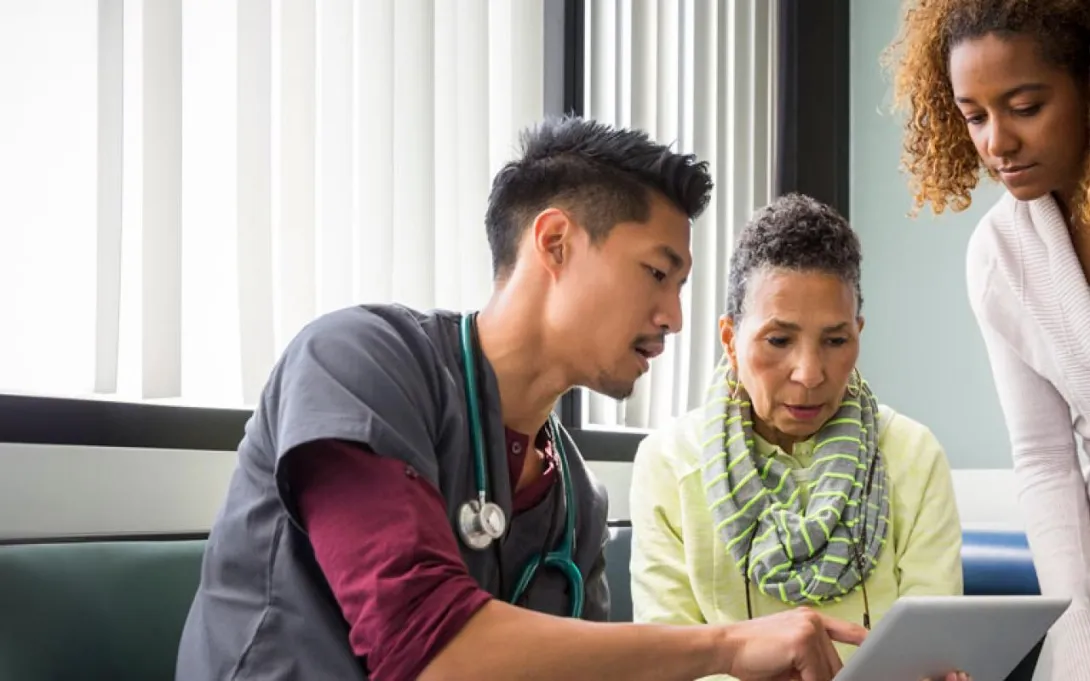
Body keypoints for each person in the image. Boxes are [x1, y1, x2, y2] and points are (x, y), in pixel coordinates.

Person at [174, 117, 870, 681]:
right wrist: (726, 646)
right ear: (556, 242)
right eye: (657, 273)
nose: (673, 317)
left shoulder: (574, 499)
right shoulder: (359, 362)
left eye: (680, 286)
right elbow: (429, 653)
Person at [629, 193, 965, 680]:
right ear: (730, 340)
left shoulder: (913, 455)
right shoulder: (668, 463)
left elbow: (929, 652)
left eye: (835, 340)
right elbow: (668, 665)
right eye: (779, 340)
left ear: (858, 333)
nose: (809, 373)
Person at [883, 1, 1090, 678]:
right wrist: (1078, 637)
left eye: (1025, 107)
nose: (997, 141)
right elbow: (1045, 458)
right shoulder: (998, 254)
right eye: (974, 116)